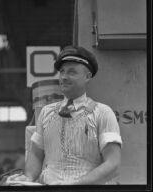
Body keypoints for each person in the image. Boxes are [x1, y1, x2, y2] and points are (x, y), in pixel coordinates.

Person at [7, 45, 122, 185]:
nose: (64, 77)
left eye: (72, 72)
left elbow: (113, 163)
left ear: (87, 76)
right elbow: (36, 154)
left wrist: (77, 185)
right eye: (62, 72)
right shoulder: (46, 112)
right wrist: (28, 178)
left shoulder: (103, 113)